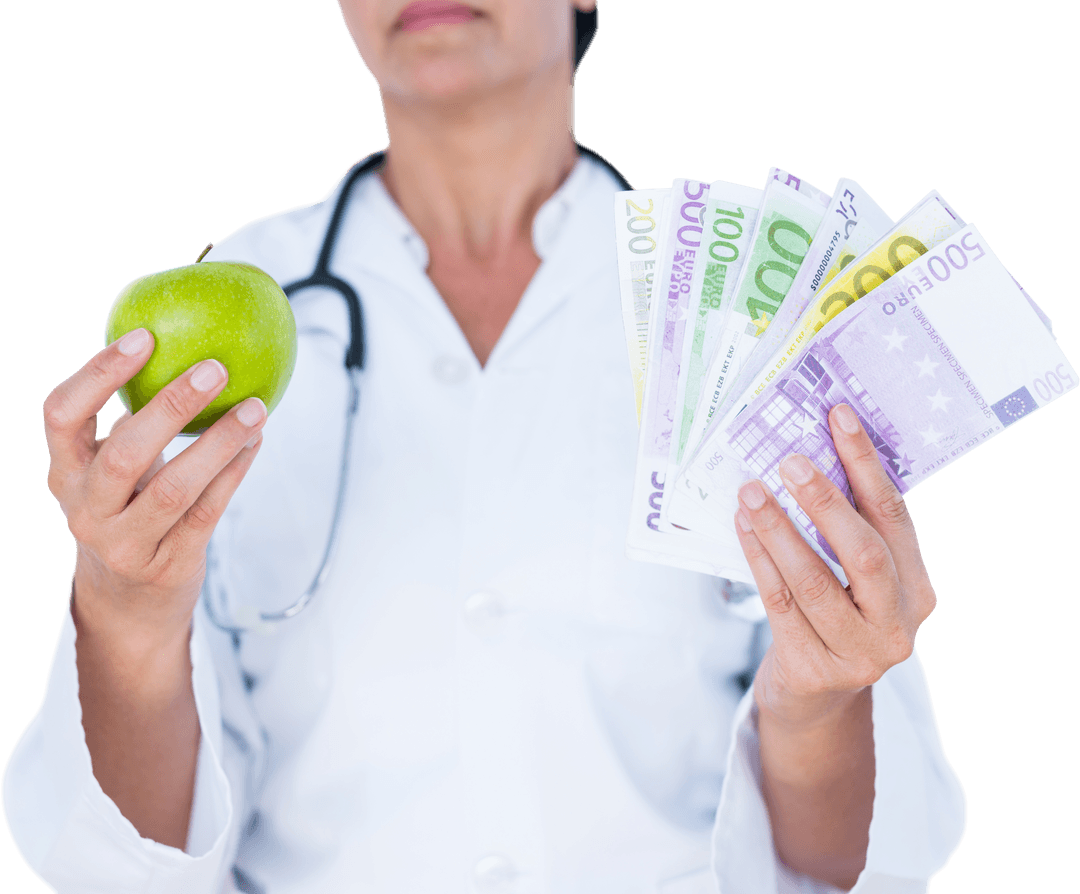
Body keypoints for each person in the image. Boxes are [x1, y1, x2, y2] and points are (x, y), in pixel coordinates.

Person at [3, 2, 966, 892]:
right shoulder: (241, 306)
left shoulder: (745, 308)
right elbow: (126, 869)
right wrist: (126, 615)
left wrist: (827, 696)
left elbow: (845, 869)